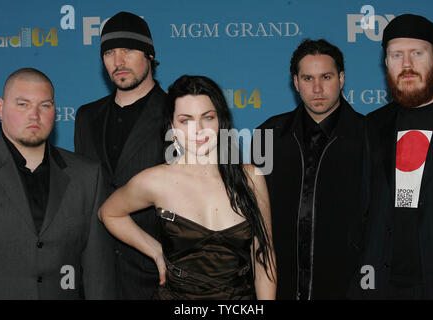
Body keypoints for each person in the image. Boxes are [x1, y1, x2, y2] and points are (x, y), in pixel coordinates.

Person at [99, 75, 276, 299]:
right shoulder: (155, 181)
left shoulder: (250, 177)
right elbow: (109, 213)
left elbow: (264, 260)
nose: (198, 129)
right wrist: (156, 251)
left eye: (207, 117)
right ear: (172, 126)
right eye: (186, 120)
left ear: (221, 120)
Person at [253, 39, 369, 299]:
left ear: (341, 78)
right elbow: (254, 216)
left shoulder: (369, 137)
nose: (317, 88)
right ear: (296, 82)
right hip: (278, 288)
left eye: (326, 77)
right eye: (307, 78)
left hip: (346, 289)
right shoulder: (267, 135)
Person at [0, 68, 115, 299]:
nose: (34, 115)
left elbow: (98, 272)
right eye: (22, 104)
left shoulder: (87, 176)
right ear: (0, 108)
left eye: (45, 105)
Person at [74, 11, 167, 299]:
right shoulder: (87, 117)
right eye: (110, 52)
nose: (118, 61)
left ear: (149, 54)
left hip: (158, 274)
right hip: (96, 273)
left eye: (128, 49)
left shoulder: (177, 113)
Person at [355, 14, 433, 299]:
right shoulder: (373, 125)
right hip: (384, 285)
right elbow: (364, 213)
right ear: (386, 64)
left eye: (417, 53)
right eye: (396, 55)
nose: (407, 65)